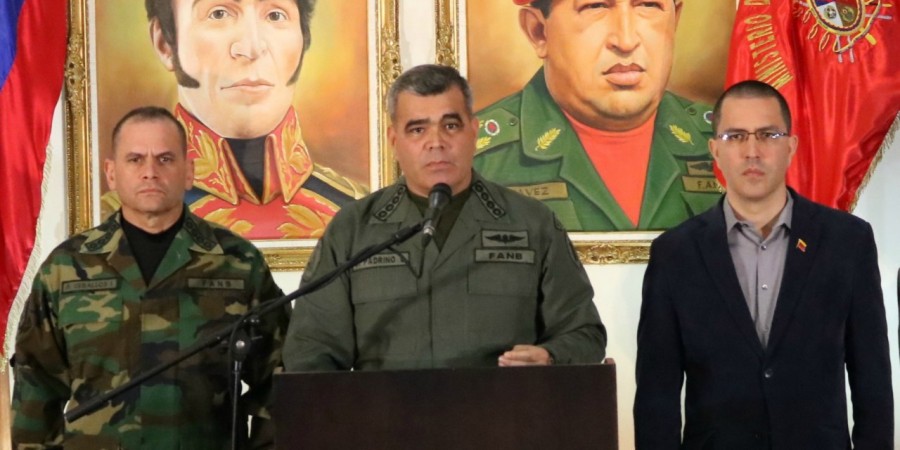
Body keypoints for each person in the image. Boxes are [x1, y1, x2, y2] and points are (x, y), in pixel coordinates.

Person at [283, 64, 606, 371]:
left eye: (450, 126)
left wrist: (550, 357)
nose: (436, 143)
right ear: (394, 141)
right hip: (385, 409)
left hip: (503, 407)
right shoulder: (354, 229)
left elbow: (584, 334)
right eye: (417, 129)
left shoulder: (531, 223)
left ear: (473, 131)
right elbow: (311, 350)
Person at [633, 80, 893, 448]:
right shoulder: (675, 254)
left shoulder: (847, 242)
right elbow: (656, 397)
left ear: (791, 147)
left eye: (768, 135)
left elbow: (873, 383)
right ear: (715, 150)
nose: (752, 151)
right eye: (735, 137)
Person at [11, 107, 289, 449]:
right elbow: (35, 388)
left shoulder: (237, 264)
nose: (150, 172)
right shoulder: (66, 268)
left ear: (189, 172)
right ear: (111, 173)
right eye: (135, 159)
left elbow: (279, 380)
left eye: (165, 159)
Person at [109, 0, 369, 239]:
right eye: (218, 14)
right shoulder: (114, 218)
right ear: (164, 43)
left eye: (275, 15)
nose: (251, 48)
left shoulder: (356, 212)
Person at [473, 0, 721, 232]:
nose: (626, 41)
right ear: (538, 32)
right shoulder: (474, 160)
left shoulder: (727, 141)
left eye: (648, 4)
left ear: (675, 20)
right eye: (595, 6)